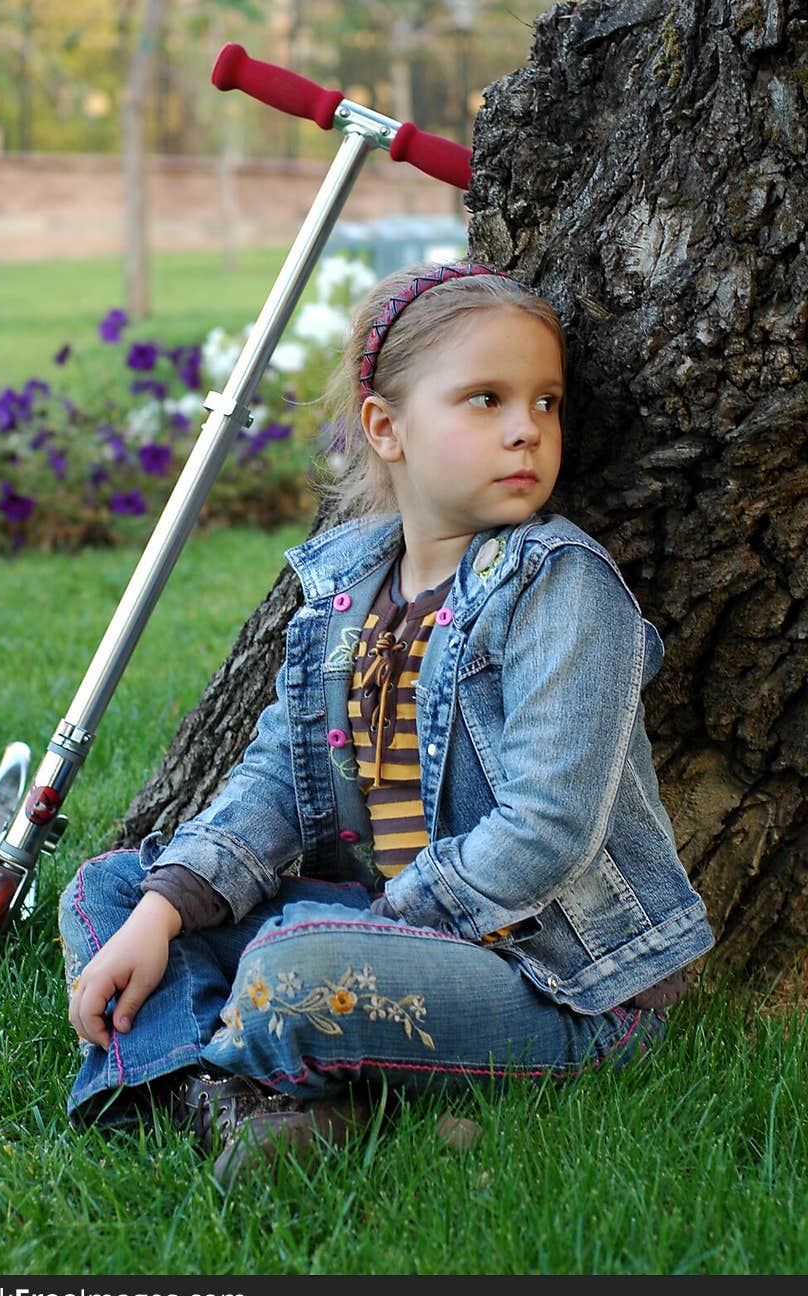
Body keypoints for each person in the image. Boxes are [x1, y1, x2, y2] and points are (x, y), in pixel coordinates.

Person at [60, 259, 715, 1190]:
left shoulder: (561, 585)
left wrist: (378, 919)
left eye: (547, 401)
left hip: (557, 981)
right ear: (385, 426)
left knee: (295, 966)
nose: (527, 427)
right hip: (377, 931)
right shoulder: (342, 590)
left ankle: (205, 1074)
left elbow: (547, 830)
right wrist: (169, 909)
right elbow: (275, 782)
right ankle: (243, 1100)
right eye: (485, 399)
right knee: (113, 890)